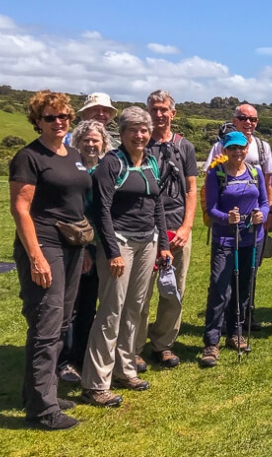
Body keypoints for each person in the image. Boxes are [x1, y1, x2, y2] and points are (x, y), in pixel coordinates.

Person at [9, 91, 92, 430]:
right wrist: (36, 257)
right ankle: (43, 411)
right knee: (46, 323)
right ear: (37, 121)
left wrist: (83, 250)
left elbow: (75, 202)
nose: (59, 123)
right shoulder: (29, 157)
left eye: (64, 117)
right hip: (44, 245)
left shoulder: (71, 154)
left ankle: (40, 393)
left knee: (60, 322)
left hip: (73, 246)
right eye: (50, 117)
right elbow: (20, 208)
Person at [81, 107, 172, 406]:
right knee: (111, 311)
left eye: (144, 129)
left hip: (148, 241)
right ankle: (96, 383)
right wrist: (112, 251)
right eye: (133, 129)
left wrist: (163, 244)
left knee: (135, 308)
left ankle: (125, 369)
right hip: (119, 241)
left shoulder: (151, 162)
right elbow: (101, 210)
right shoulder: (111, 163)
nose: (140, 134)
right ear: (121, 134)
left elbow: (157, 204)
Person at [135, 90, 198, 370]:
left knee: (173, 290)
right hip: (145, 228)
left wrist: (187, 226)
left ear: (173, 113)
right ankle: (134, 347)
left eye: (163, 109)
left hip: (176, 227)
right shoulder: (139, 144)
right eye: (154, 109)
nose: (159, 114)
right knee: (141, 291)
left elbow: (192, 189)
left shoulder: (185, 147)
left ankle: (163, 344)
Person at [200, 131, 269, 367]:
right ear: (225, 150)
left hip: (252, 238)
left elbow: (264, 202)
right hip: (225, 240)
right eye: (232, 149)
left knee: (243, 288)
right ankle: (211, 341)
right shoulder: (216, 174)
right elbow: (211, 209)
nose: (237, 152)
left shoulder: (254, 172)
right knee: (220, 288)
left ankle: (235, 333)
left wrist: (263, 215)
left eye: (240, 148)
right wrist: (225, 218)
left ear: (246, 149)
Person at [57, 120, 113, 383]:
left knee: (90, 304)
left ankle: (82, 357)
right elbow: (73, 212)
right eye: (86, 140)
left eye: (96, 140)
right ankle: (66, 361)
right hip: (77, 247)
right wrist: (85, 250)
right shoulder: (71, 169)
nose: (91, 144)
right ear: (77, 142)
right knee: (72, 306)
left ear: (104, 143)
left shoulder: (105, 169)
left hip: (101, 247)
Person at [203, 103, 272, 231]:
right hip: (225, 215)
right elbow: (208, 179)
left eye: (252, 119)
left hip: (255, 215)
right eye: (243, 118)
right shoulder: (219, 147)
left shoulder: (263, 147)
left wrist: (269, 213)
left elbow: (268, 182)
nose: (248, 122)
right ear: (235, 121)